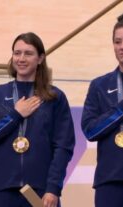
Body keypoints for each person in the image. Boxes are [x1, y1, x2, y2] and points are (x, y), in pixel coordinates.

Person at [0, 32, 75, 207]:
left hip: (41, 190)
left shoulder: (54, 97)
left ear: (40, 58)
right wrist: (15, 115)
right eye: (17, 53)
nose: (21, 58)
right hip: (3, 189)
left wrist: (53, 188)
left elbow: (63, 147)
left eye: (28, 53)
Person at [81, 14, 123, 207]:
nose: (121, 47)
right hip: (110, 180)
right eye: (117, 41)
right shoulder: (99, 85)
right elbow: (90, 130)